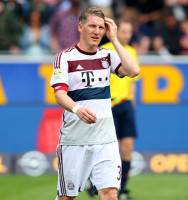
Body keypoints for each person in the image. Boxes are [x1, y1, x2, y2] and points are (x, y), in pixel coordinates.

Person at [50, 7, 139, 200]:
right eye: (92, 26)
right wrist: (77, 108)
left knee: (109, 194)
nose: (97, 31)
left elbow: (133, 70)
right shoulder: (65, 57)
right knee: (67, 197)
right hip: (75, 141)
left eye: (101, 27)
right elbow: (59, 94)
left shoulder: (107, 56)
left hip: (105, 140)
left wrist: (114, 39)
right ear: (80, 27)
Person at [102, 19, 139, 200]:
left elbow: (132, 82)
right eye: (123, 31)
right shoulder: (106, 49)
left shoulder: (131, 51)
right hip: (109, 104)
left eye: (129, 31)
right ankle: (103, 185)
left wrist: (132, 103)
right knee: (109, 149)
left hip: (125, 104)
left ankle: (122, 188)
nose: (126, 34)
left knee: (127, 147)